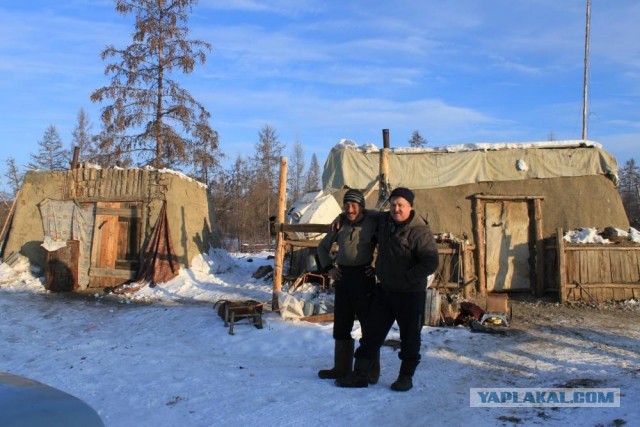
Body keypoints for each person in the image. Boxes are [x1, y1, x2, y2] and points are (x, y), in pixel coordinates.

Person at [336, 187, 439, 392]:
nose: (396, 209)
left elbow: (430, 262)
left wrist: (406, 278)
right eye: (393, 204)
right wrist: (341, 215)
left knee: (409, 337)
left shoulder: (420, 232)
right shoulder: (384, 221)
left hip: (410, 294)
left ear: (410, 207)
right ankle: (361, 375)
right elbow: (362, 212)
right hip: (385, 292)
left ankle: (405, 377)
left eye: (401, 205)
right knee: (371, 334)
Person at [316, 189, 379, 383]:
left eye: (354, 205)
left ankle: (370, 372)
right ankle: (341, 368)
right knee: (342, 324)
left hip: (364, 278)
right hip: (343, 278)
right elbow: (322, 247)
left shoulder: (373, 223)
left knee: (369, 327)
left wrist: (377, 267)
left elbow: (386, 246)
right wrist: (329, 269)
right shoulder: (340, 224)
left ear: (361, 206)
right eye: (347, 205)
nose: (350, 209)